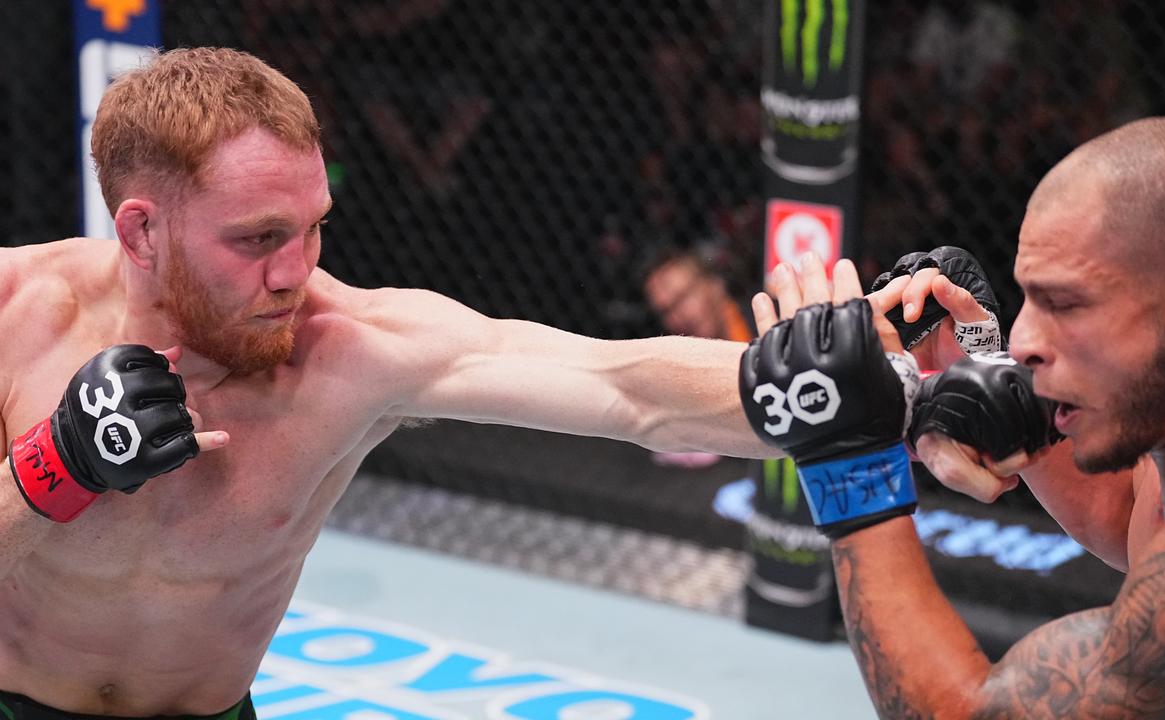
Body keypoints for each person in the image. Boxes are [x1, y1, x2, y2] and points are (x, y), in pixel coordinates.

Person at [0, 47, 788, 717]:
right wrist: (51, 469)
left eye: (314, 227)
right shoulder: (17, 315)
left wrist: (860, 385)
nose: (295, 272)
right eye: (259, 237)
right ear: (142, 230)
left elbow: (630, 390)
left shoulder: (352, 348)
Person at [743, 116, 1165, 717]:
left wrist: (849, 460)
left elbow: (972, 714)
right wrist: (987, 374)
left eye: (1065, 303)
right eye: (1028, 298)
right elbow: (1129, 516)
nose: (1023, 340)